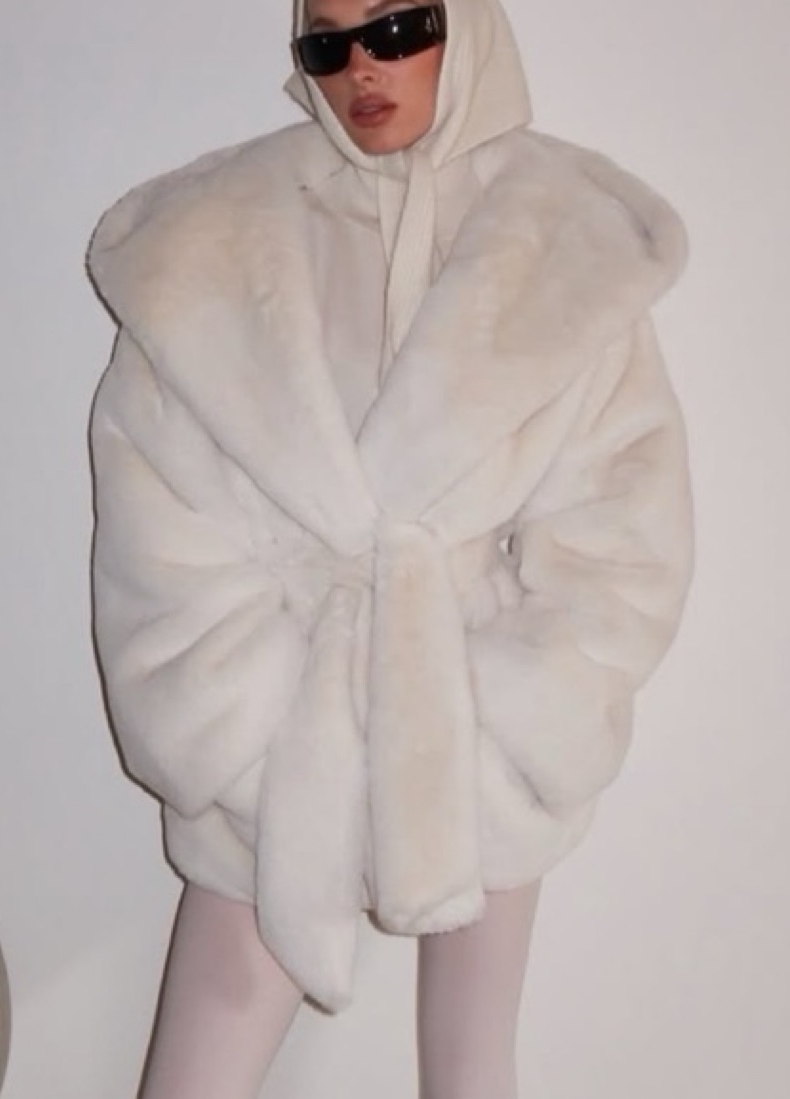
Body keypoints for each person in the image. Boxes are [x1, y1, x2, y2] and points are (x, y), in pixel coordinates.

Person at [86, 1, 694, 1096]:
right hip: (269, 750)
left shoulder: (561, 238)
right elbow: (158, 520)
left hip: (476, 741)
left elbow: (622, 529)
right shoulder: (213, 243)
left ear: (466, 27)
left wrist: (499, 719)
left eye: (399, 28)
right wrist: (246, 741)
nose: (363, 67)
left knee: (470, 1071)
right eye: (327, 43)